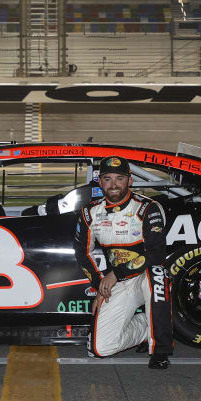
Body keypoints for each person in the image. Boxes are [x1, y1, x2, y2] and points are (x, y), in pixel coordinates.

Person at [73, 155, 173, 369]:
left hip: (144, 276)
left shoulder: (147, 208)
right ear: (100, 182)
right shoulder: (90, 213)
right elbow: (82, 253)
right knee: (100, 348)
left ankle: (160, 349)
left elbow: (156, 253)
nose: (114, 184)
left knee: (157, 274)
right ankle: (146, 327)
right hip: (118, 282)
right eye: (107, 179)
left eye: (119, 178)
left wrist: (115, 274)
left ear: (130, 181)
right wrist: (99, 285)